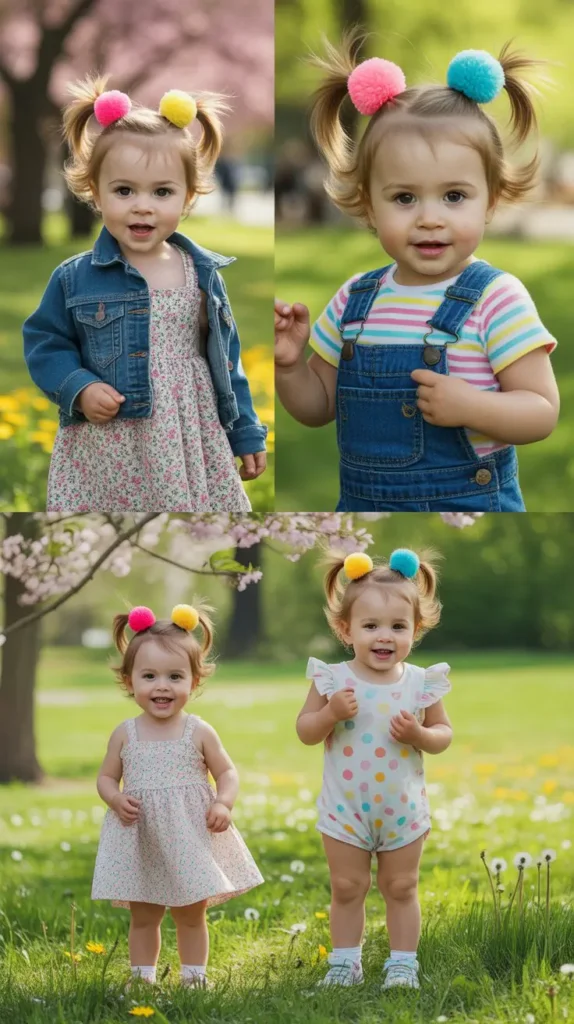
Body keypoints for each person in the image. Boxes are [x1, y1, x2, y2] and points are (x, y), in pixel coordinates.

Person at [275, 34, 559, 512]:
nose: (430, 218)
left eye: (454, 196)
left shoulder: (496, 299)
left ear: (490, 199)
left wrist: (474, 408)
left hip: (469, 504)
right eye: (404, 198)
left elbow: (541, 411)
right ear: (368, 203)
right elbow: (319, 406)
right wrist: (288, 367)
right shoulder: (355, 298)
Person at [23, 75, 267, 512]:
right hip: (108, 440)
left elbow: (226, 360)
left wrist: (245, 430)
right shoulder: (75, 278)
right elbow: (46, 342)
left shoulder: (201, 273)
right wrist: (78, 388)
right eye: (124, 190)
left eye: (162, 192)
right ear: (95, 192)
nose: (143, 205)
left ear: (187, 197)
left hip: (187, 435)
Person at [296, 548, 452, 989]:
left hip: (401, 810)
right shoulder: (332, 679)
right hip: (345, 809)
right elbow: (306, 731)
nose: (384, 637)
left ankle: (402, 965)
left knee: (401, 886)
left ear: (415, 630)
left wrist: (420, 736)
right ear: (346, 630)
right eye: (371, 626)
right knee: (347, 886)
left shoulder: (422, 683)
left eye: (398, 627)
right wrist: (328, 714)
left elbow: (443, 734)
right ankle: (345, 963)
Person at [91, 603, 264, 987]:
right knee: (144, 915)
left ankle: (194, 977)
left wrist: (223, 801)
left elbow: (227, 772)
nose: (162, 686)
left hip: (189, 837)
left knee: (190, 914)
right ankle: (142, 978)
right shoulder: (125, 733)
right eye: (149, 676)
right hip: (142, 838)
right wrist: (115, 799)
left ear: (194, 681)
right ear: (129, 680)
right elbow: (105, 778)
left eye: (175, 676)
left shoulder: (198, 731)